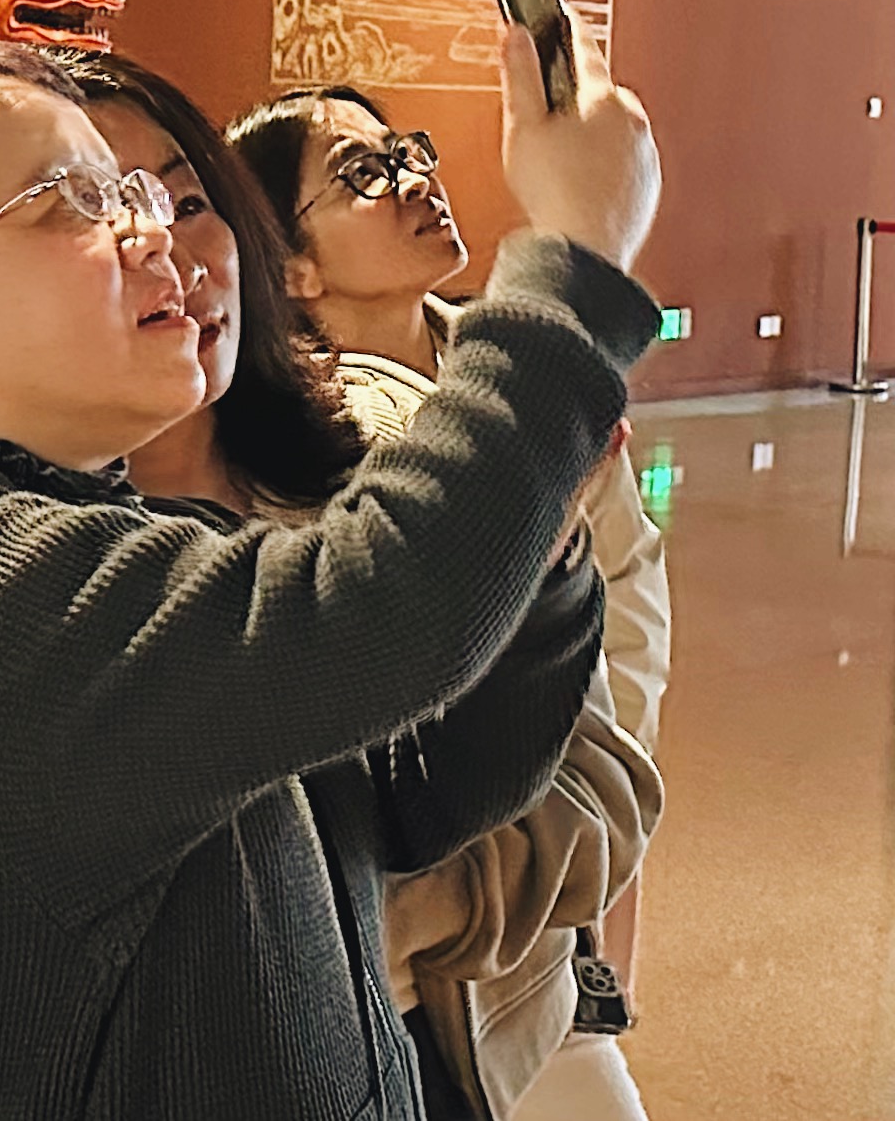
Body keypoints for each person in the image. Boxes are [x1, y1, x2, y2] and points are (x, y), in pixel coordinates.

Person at [0, 25, 662, 1118]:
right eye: (71, 202)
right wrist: (572, 254)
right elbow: (379, 608)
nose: (152, 232)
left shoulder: (84, 529)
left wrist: (537, 551)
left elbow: (409, 804)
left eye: (147, 194)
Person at [231, 86, 672, 1120]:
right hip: (452, 954)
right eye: (362, 174)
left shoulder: (518, 363)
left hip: (559, 885)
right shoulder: (297, 435)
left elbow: (630, 597)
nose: (413, 180)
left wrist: (603, 820)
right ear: (289, 267)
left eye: (406, 152)